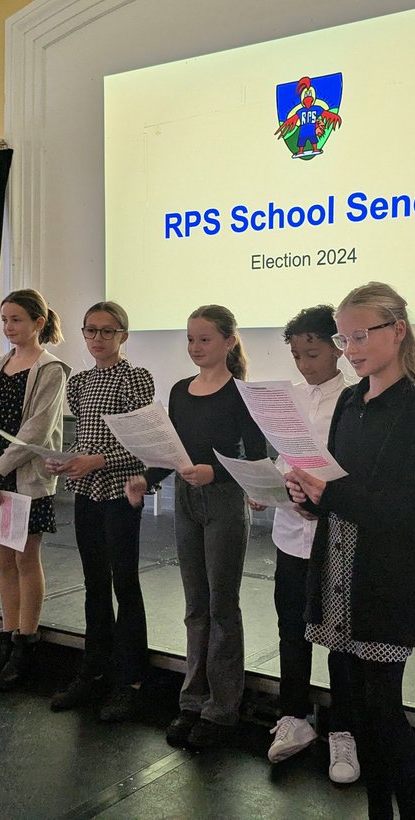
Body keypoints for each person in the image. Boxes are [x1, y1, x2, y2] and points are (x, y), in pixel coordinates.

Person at [285, 282, 415, 820]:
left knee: (384, 713)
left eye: (360, 335)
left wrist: (330, 494)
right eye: (344, 337)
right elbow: (338, 484)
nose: (350, 348)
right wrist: (308, 499)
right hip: (337, 573)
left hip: (386, 583)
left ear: (397, 331)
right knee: (358, 712)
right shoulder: (350, 401)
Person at [125, 305, 267, 749]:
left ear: (228, 341)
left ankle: (222, 709)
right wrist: (146, 479)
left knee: (223, 606)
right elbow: (174, 452)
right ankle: (192, 701)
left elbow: (257, 458)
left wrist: (218, 475)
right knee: (195, 604)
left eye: (204, 339)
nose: (195, 347)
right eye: (190, 339)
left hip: (223, 502)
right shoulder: (180, 391)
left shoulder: (242, 394)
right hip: (186, 500)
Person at [44, 301, 154, 721]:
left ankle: (131, 681)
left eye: (107, 331)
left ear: (123, 335)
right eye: (91, 330)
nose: (97, 339)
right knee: (93, 583)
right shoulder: (80, 382)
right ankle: (93, 673)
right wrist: (67, 458)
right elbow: (86, 439)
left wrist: (96, 460)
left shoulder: (136, 378)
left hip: (120, 492)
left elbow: (141, 446)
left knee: (125, 584)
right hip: (87, 492)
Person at [265, 305, 360, 786]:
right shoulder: (290, 399)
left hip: (336, 536)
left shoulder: (357, 398)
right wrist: (270, 486)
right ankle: (295, 717)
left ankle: (343, 730)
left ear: (338, 346)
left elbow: (352, 472)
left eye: (313, 352)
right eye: (297, 355)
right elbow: (283, 457)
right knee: (291, 627)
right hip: (289, 532)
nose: (304, 363)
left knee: (339, 636)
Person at [0, 289, 70, 691]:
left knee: (26, 559)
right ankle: (5, 640)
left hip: (25, 477)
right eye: (5, 320)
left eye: (17, 320)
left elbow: (37, 430)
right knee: (3, 561)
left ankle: (26, 644)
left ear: (38, 323)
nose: (10, 327)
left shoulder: (51, 369)